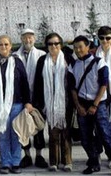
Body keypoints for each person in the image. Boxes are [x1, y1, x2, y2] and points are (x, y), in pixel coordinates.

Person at [70, 35, 111, 176]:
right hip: (82, 104)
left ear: (88, 47)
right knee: (85, 137)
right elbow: (72, 89)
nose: (78, 50)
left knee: (106, 135)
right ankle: (94, 162)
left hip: (99, 104)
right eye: (75, 48)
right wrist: (78, 106)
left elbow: (104, 85)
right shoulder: (72, 66)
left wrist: (95, 105)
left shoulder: (99, 63)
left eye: (81, 47)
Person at [0, 35, 33, 174]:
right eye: (0, 45)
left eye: (6, 44)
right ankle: (6, 162)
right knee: (3, 135)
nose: (3, 47)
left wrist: (28, 102)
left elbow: (24, 83)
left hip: (16, 104)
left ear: (11, 46)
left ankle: (16, 162)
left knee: (16, 134)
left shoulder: (17, 62)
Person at [32, 33, 73, 172]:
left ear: (61, 45)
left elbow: (74, 80)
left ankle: (67, 161)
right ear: (46, 46)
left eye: (56, 43)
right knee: (53, 132)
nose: (53, 46)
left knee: (66, 132)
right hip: (49, 102)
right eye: (50, 44)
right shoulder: (43, 60)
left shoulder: (67, 58)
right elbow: (38, 83)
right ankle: (54, 162)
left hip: (65, 101)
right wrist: (37, 103)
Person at [12, 28, 47, 169]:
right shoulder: (15, 56)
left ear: (34, 39)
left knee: (38, 127)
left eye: (30, 38)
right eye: (25, 38)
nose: (28, 40)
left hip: (37, 97)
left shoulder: (42, 55)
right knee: (23, 127)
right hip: (21, 98)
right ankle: (26, 155)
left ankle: (39, 155)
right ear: (21, 39)